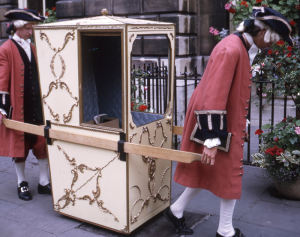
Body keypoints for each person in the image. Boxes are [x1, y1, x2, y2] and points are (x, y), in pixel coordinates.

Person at [164, 7, 293, 237]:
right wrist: (211, 140)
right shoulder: (231, 49)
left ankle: (177, 210)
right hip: (214, 120)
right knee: (230, 172)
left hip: (223, 119)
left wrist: (240, 121)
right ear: (263, 34)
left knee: (215, 170)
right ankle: (225, 231)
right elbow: (214, 96)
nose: (271, 47)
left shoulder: (239, 46)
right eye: (272, 42)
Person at [0, 9, 51, 201]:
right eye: (28, 28)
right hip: (19, 107)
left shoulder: (34, 47)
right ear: (18, 28)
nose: (31, 32)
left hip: (37, 106)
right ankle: (21, 183)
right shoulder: (5, 49)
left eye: (32, 28)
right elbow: (2, 81)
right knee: (20, 149)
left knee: (42, 143)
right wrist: (2, 108)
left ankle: (44, 183)